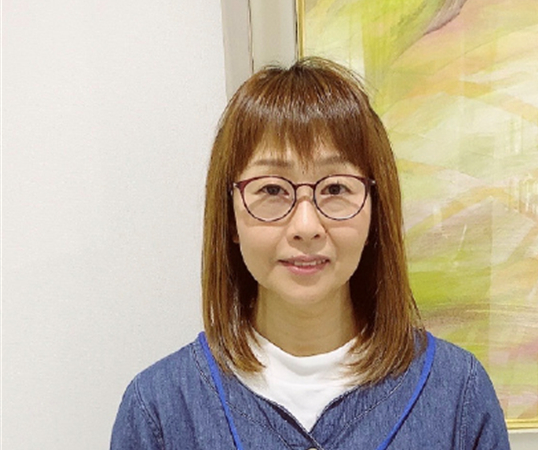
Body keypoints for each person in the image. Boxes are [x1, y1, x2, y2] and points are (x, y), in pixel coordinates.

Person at [111, 57, 510, 449]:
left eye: (335, 189)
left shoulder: (458, 395)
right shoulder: (159, 410)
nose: (306, 226)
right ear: (230, 217)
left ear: (375, 209)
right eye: (271, 189)